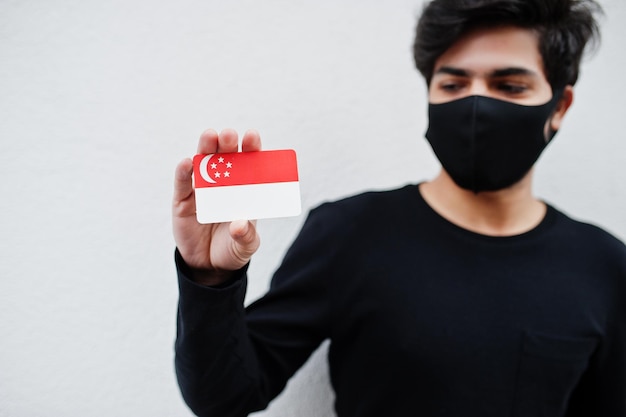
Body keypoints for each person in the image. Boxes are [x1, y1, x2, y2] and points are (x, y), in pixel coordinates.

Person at [172, 0, 626, 416]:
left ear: (559, 105)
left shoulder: (604, 265)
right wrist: (209, 278)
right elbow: (226, 395)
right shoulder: (349, 232)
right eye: (453, 83)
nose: (475, 105)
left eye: (509, 85)